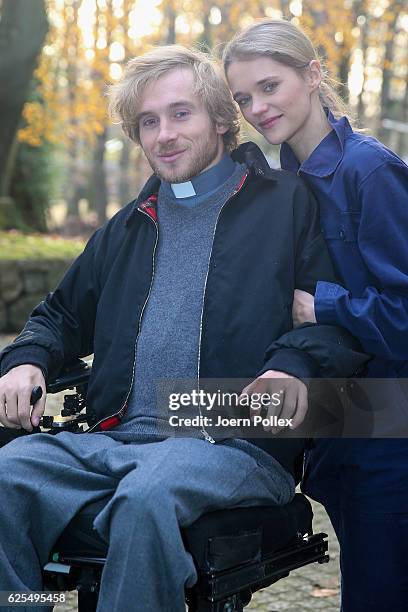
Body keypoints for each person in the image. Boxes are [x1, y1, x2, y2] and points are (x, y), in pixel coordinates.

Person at [0, 45, 366, 612]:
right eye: (148, 122)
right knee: (7, 473)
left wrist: (292, 364)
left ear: (222, 119)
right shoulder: (126, 227)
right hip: (113, 438)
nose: (163, 135)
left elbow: (332, 320)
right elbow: (61, 315)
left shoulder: (289, 206)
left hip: (232, 440)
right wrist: (26, 359)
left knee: (146, 498)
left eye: (180, 114)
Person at [223, 18, 408, 612]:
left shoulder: (369, 172)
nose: (258, 106)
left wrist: (326, 304)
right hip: (335, 422)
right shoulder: (282, 182)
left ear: (314, 75)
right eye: (243, 98)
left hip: (389, 424)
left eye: (270, 87)